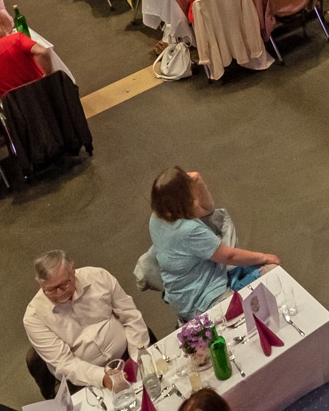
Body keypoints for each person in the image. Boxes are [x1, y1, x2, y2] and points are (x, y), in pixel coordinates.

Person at [148, 166, 277, 317]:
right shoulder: (187, 230)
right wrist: (264, 257)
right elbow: (229, 256)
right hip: (203, 299)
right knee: (270, 277)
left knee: (268, 276)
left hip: (198, 284)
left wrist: (198, 181)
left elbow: (207, 209)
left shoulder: (158, 216)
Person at [22, 249, 152, 391]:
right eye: (50, 290)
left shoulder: (97, 277)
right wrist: (102, 378)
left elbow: (130, 316)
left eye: (63, 285)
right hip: (85, 380)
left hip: (128, 353)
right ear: (40, 283)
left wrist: (135, 358)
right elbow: (64, 363)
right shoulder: (34, 318)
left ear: (73, 271)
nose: (59, 294)